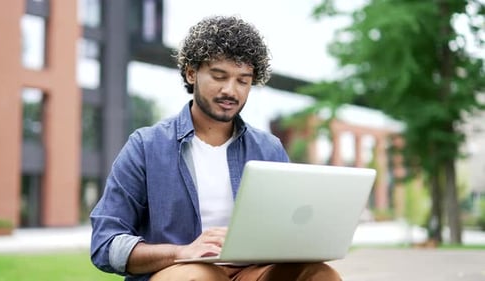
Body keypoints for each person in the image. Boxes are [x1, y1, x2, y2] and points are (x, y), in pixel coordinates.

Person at [90, 15, 342, 281]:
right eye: (219, 76)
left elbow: (287, 228)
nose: (230, 91)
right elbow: (106, 245)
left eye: (243, 81)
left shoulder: (269, 149)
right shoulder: (145, 146)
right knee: (198, 278)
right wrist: (183, 252)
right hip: (181, 270)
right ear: (191, 73)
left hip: (252, 272)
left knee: (319, 274)